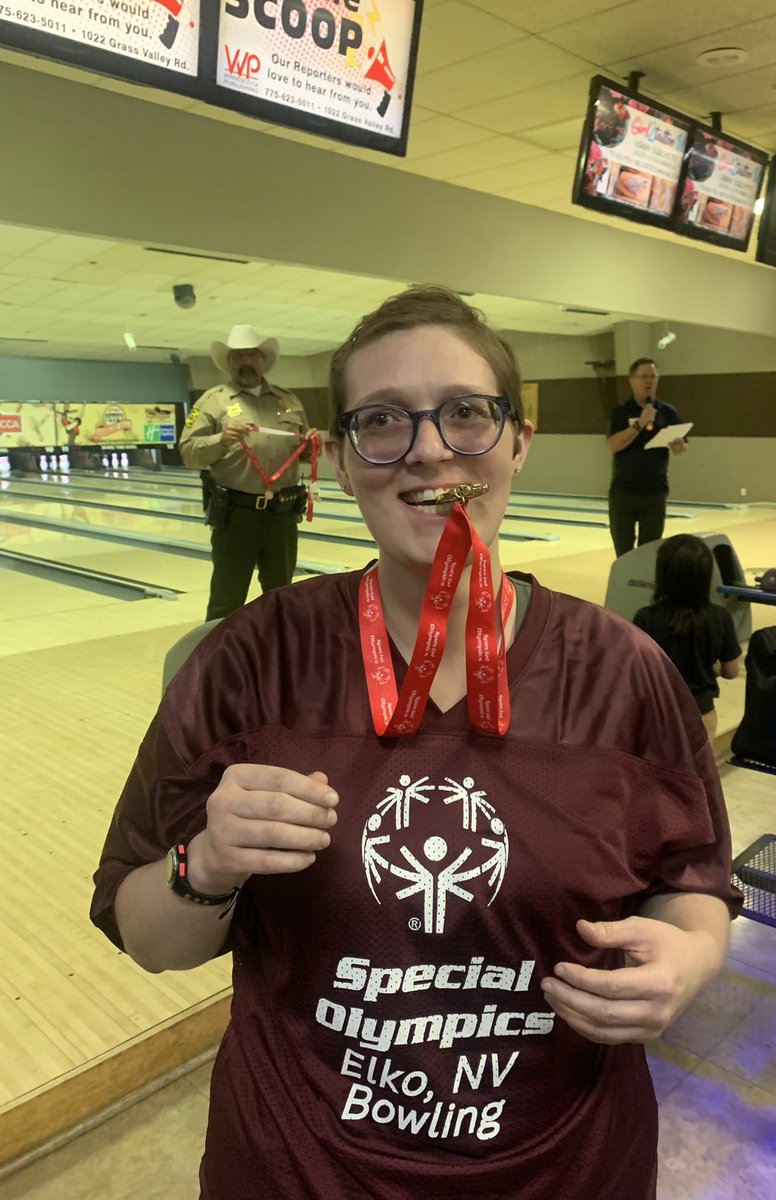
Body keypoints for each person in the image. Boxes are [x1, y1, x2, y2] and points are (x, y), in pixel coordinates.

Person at [91, 287, 739, 1200]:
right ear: (344, 461)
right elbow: (149, 938)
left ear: (517, 439)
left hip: (568, 1171)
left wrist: (689, 960)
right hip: (298, 1173)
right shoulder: (251, 662)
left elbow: (693, 885)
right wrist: (209, 861)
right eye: (384, 421)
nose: (430, 448)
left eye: (467, 413)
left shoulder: (623, 673)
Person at [180, 324, 315, 620]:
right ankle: (218, 662)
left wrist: (310, 447)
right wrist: (221, 439)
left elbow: (304, 453)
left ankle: (277, 657)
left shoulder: (288, 400)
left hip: (282, 515)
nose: (246, 361)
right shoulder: (212, 401)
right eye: (238, 355)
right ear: (229, 361)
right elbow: (188, 452)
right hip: (236, 516)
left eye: (252, 354)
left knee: (281, 596)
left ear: (263, 359)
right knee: (227, 601)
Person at [633, 534, 742, 744]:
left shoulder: (646, 617)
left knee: (660, 772)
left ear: (662, 575)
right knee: (698, 774)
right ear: (706, 576)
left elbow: (637, 673)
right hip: (701, 714)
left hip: (658, 714)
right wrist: (713, 667)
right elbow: (731, 672)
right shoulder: (720, 617)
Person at [606, 357, 687, 557]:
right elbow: (613, 445)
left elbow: (682, 446)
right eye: (644, 376)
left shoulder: (668, 412)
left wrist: (679, 445)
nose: (649, 381)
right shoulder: (620, 411)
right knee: (623, 554)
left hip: (655, 493)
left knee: (649, 555)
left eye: (653, 376)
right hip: (624, 494)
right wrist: (639, 424)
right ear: (632, 381)